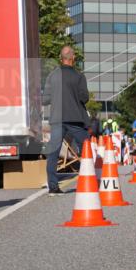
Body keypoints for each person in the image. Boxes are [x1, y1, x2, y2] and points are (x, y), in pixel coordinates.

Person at [44, 46, 90, 196]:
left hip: (57, 119)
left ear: (60, 58)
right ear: (73, 58)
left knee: (53, 153)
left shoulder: (52, 76)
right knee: (87, 148)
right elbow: (85, 98)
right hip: (75, 118)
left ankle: (53, 187)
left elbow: (46, 99)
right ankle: (91, 181)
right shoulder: (78, 76)